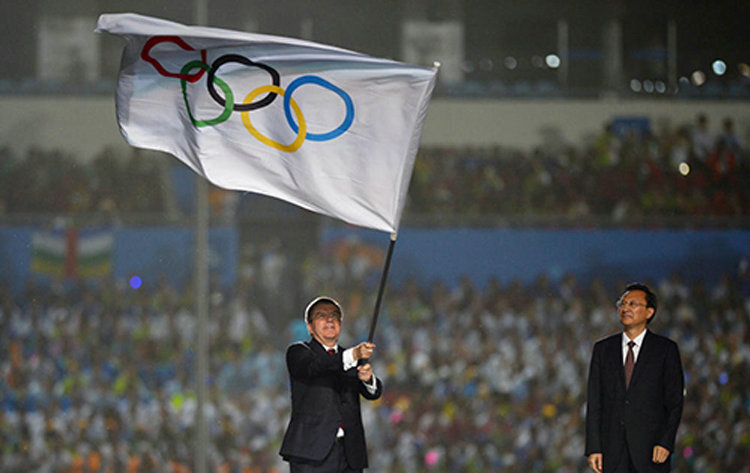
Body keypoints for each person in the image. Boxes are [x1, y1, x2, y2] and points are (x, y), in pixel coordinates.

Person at [585, 283, 684, 473]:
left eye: (633, 304)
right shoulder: (603, 350)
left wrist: (666, 442)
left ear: (649, 312)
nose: (625, 308)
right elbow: (595, 401)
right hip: (612, 451)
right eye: (622, 304)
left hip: (651, 451)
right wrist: (593, 447)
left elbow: (674, 402)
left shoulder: (665, 350)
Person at [280, 296, 383, 473]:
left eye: (334, 315)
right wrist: (353, 355)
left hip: (349, 454)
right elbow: (316, 367)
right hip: (311, 453)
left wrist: (368, 380)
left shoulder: (351, 357)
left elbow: (373, 393)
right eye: (321, 315)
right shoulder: (299, 352)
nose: (329, 319)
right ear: (310, 327)